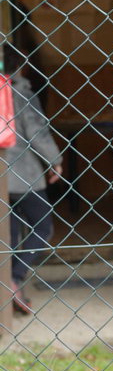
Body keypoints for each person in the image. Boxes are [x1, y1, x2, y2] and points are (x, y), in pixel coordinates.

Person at [5, 46, 63, 315]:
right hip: (24, 175)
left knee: (11, 233)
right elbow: (37, 132)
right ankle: (15, 278)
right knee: (43, 226)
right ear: (22, 64)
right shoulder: (22, 93)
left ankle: (9, 284)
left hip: (3, 179)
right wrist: (55, 160)